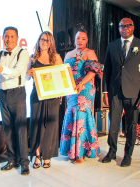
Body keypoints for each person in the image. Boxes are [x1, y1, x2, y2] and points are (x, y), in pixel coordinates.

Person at [0, 26, 30, 175]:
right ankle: (12, 159)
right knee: (7, 129)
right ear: (3, 38)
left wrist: (2, 70)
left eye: (12, 36)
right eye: (6, 36)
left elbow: (18, 71)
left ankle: (24, 162)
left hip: (17, 92)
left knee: (20, 128)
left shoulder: (23, 53)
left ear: (17, 38)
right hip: (3, 93)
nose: (9, 39)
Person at [60, 29, 102, 164]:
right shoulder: (68, 54)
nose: (80, 41)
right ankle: (71, 151)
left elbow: (93, 72)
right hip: (71, 89)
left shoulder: (90, 53)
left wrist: (81, 84)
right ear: (74, 39)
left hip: (85, 89)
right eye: (78, 38)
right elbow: (64, 73)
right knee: (71, 114)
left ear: (87, 40)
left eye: (83, 38)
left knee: (82, 117)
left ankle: (81, 153)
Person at [102, 18, 140, 167]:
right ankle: (111, 152)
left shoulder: (139, 44)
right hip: (115, 91)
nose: (125, 28)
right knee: (113, 124)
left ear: (133, 27)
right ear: (118, 28)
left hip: (134, 92)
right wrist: (105, 91)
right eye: (121, 26)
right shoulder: (112, 45)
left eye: (128, 25)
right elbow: (107, 70)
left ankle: (127, 155)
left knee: (131, 125)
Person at [27, 31, 63, 169]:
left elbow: (61, 77)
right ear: (38, 41)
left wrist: (61, 92)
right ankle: (37, 154)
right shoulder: (32, 58)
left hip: (52, 96)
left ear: (51, 43)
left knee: (50, 126)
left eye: (47, 40)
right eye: (42, 39)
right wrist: (28, 73)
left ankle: (47, 155)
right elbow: (27, 78)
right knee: (36, 125)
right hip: (36, 95)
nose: (44, 42)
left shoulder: (56, 58)